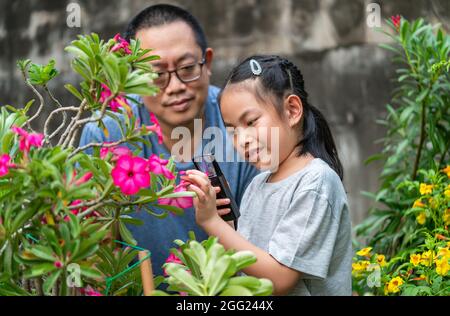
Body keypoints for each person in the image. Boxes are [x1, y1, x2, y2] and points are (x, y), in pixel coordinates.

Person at [78, 4, 259, 277]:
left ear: (207, 63)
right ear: (133, 75)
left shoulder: (239, 122)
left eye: (187, 68)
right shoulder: (106, 133)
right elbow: (92, 243)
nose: (175, 87)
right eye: (156, 74)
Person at [183, 55, 353, 296]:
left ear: (292, 110)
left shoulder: (315, 182)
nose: (241, 140)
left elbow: (280, 278)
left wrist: (210, 222)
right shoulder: (258, 183)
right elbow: (248, 263)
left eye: (251, 122)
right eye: (232, 130)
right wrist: (225, 223)